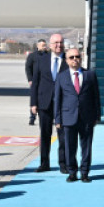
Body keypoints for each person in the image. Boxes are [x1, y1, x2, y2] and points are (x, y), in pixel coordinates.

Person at [54, 48, 100, 182]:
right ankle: (72, 172)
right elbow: (57, 99)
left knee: (86, 147)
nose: (75, 59)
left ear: (81, 58)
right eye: (71, 57)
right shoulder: (61, 76)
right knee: (69, 146)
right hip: (68, 117)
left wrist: (97, 115)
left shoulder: (90, 74)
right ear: (67, 60)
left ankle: (85, 172)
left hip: (87, 117)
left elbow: (96, 97)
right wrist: (57, 119)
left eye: (77, 56)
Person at [30, 33, 67, 173]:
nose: (58, 45)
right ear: (50, 45)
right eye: (56, 42)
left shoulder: (68, 59)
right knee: (45, 134)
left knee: (63, 135)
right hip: (44, 102)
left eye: (61, 42)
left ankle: (63, 164)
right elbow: (35, 82)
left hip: (63, 104)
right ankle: (44, 163)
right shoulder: (41, 60)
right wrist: (33, 103)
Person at [24, 43, 45, 126]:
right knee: (34, 100)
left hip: (44, 81)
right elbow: (28, 68)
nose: (44, 47)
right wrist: (30, 79)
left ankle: (45, 118)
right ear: (38, 46)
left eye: (45, 45)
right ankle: (32, 117)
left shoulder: (48, 55)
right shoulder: (32, 56)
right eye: (42, 45)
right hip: (35, 81)